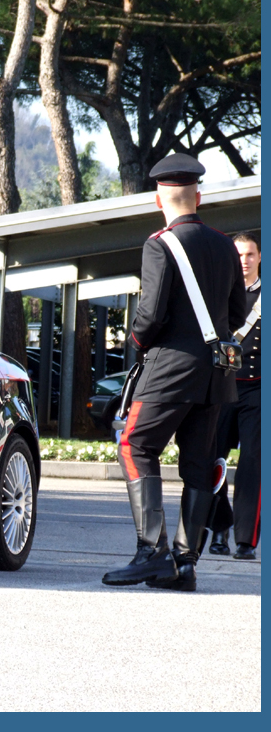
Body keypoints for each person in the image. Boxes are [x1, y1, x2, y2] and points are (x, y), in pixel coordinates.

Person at [103, 153, 247, 591]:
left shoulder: (159, 244)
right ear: (197, 196)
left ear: (158, 198)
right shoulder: (225, 245)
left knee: (133, 443)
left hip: (170, 370)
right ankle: (185, 565)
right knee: (200, 465)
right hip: (216, 374)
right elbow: (237, 312)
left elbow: (150, 315)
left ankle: (152, 551)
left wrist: (135, 342)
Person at [207, 232, 261, 559]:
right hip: (224, 386)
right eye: (239, 254)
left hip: (258, 388)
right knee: (210, 460)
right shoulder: (218, 295)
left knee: (253, 463)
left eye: (250, 254)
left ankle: (245, 540)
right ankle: (220, 527)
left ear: (260, 258)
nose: (244, 260)